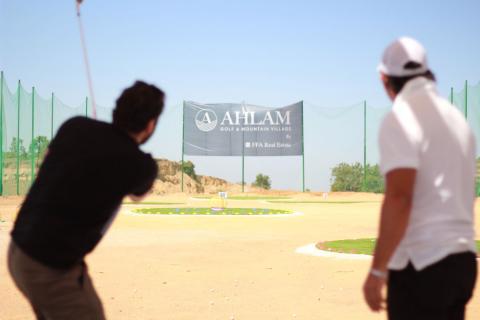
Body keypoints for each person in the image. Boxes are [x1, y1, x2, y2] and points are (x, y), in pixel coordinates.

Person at [8, 81, 164, 319]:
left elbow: (50, 158)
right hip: (49, 265)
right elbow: (138, 194)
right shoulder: (140, 164)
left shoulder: (75, 126)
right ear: (150, 124)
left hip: (18, 250)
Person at [363, 37, 477, 320]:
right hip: (461, 262)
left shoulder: (400, 117)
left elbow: (400, 197)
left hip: (423, 265)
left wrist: (377, 270)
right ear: (427, 73)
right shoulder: (457, 119)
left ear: (384, 79)